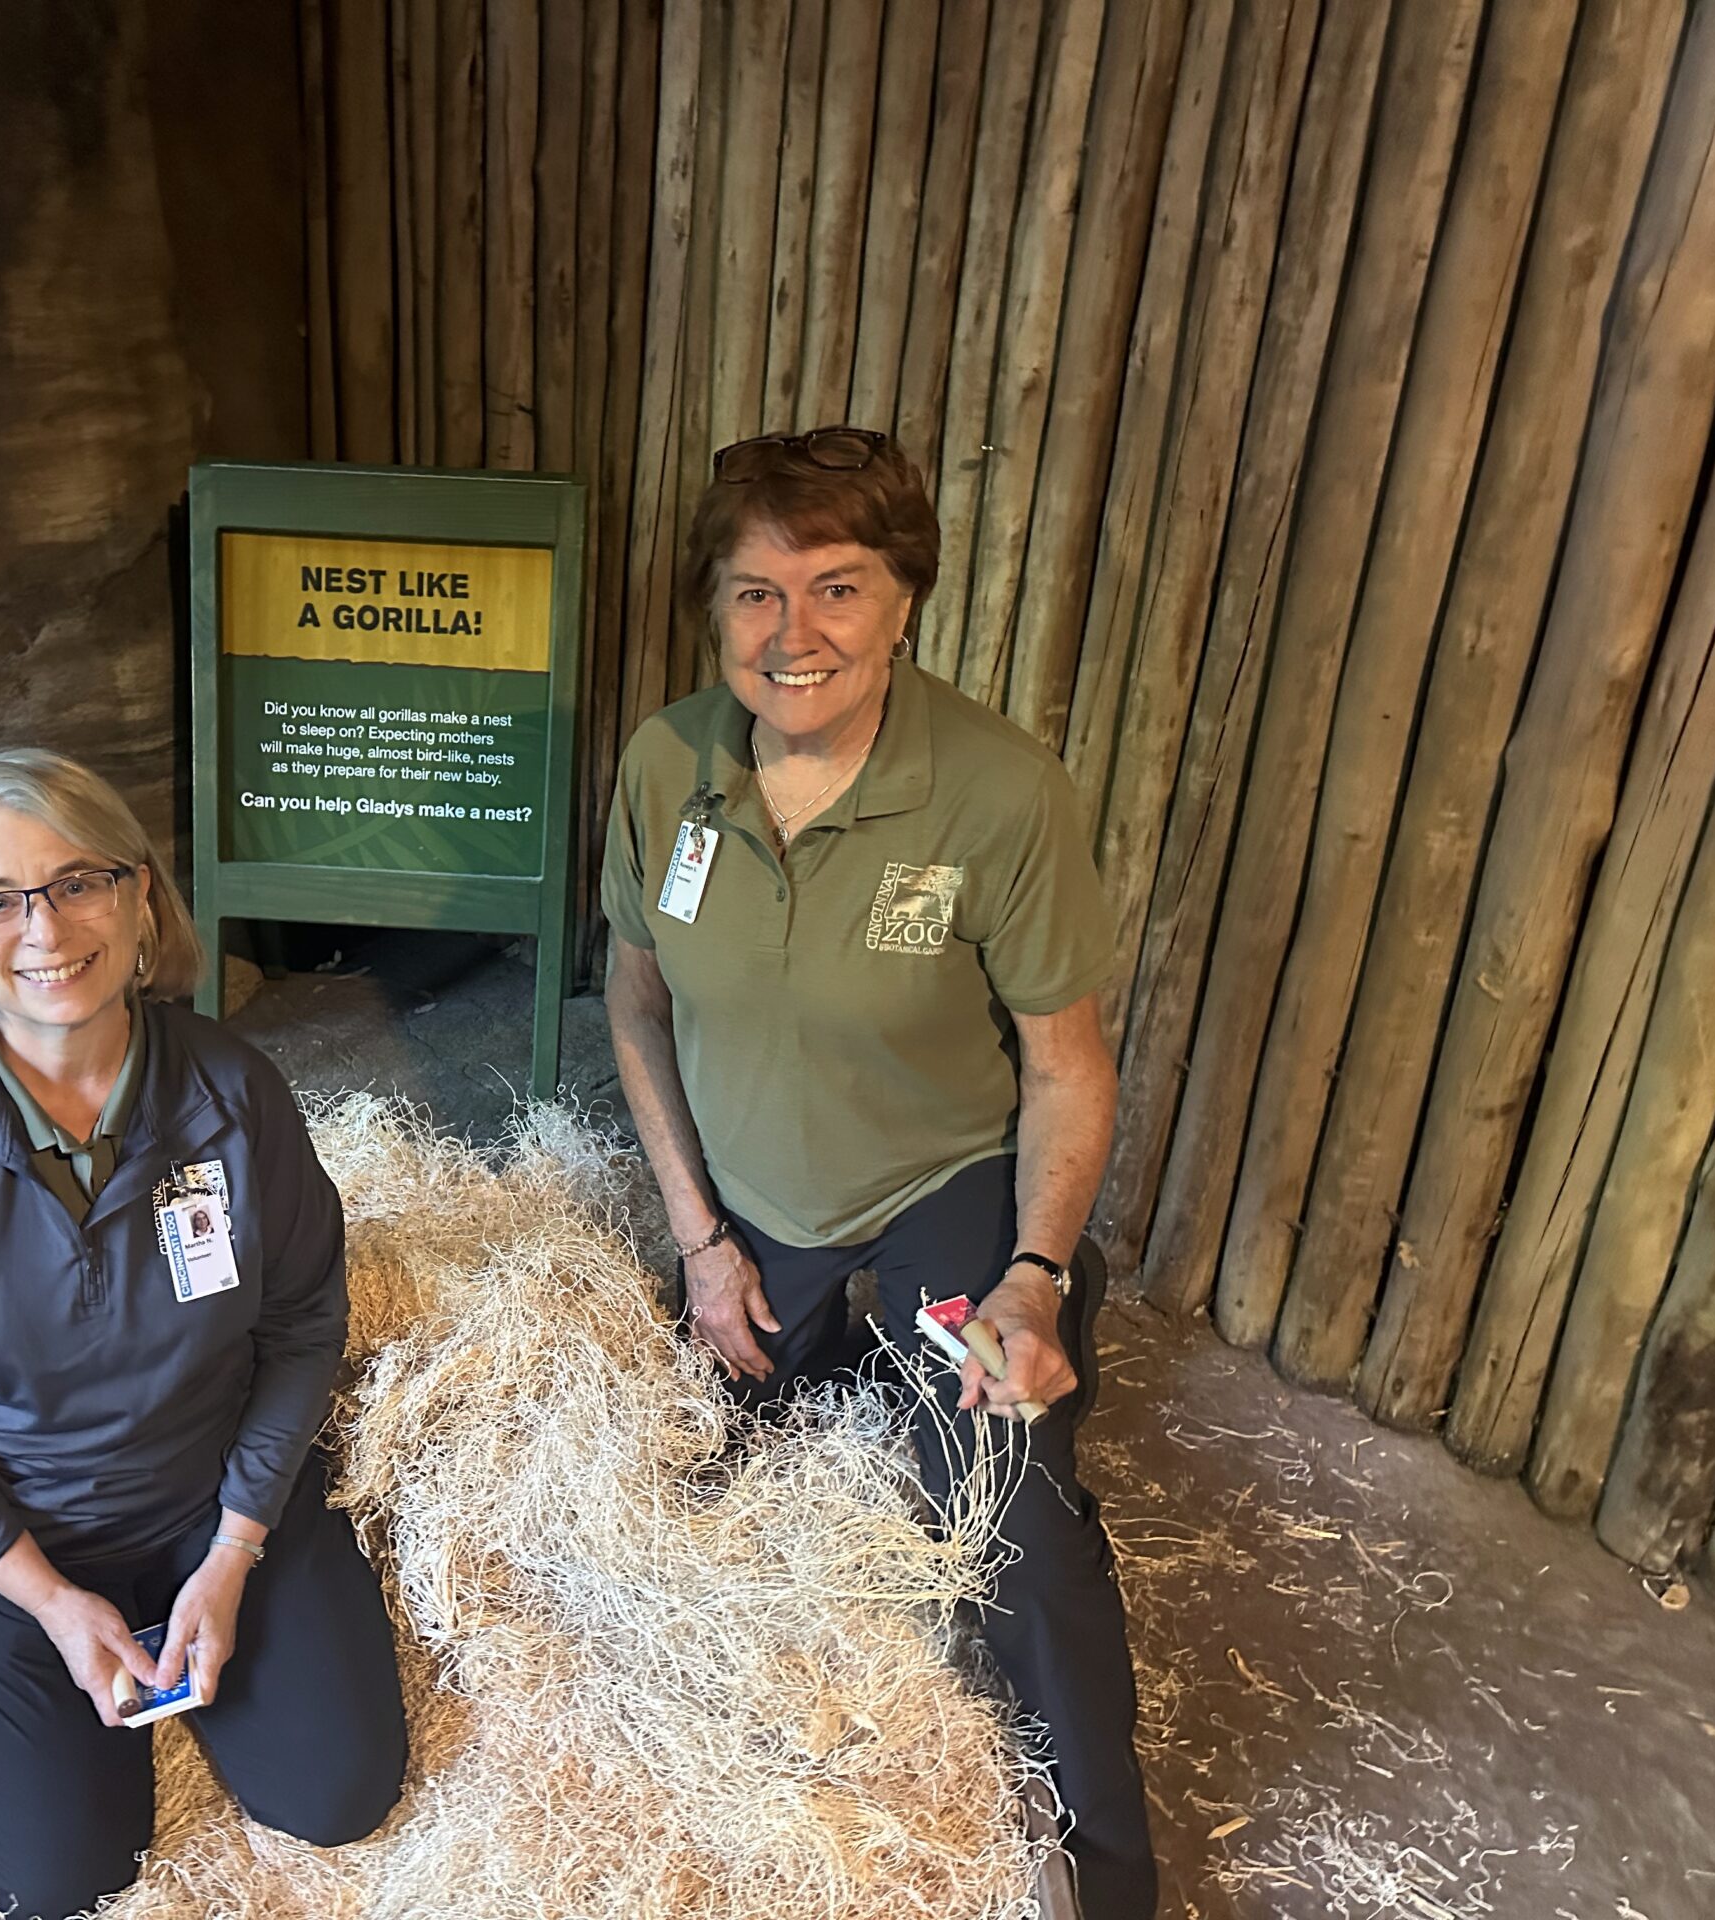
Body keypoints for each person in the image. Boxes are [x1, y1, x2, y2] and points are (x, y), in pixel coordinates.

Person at [600, 427, 1157, 1918]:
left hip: (941, 1186)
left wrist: (1034, 1276)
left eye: (836, 589)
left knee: (1003, 1502)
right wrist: (698, 1240)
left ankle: (1108, 1871)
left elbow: (1066, 1066)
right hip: (750, 1209)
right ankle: (828, 1331)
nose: (794, 637)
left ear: (905, 601)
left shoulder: (999, 792)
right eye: (754, 595)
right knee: (679, 1474)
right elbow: (637, 1002)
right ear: (714, 609)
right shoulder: (670, 765)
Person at [0, 749, 405, 1918]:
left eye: (80, 881)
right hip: (12, 1528)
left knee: (338, 1797)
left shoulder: (235, 1093)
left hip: (208, 1496)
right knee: (60, 1879)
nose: (45, 927)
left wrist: (233, 1551)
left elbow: (298, 1323)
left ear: (140, 897)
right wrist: (41, 1596)